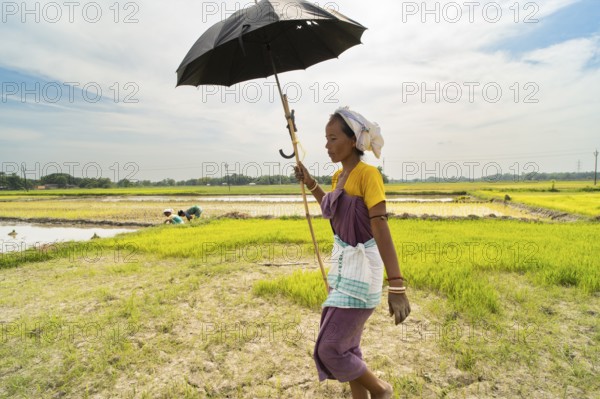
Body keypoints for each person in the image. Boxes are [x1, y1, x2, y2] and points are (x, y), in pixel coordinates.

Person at [295, 106, 410, 399]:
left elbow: (380, 225)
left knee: (330, 347)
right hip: (344, 269)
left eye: (333, 138)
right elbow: (332, 211)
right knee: (348, 348)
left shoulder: (367, 175)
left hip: (363, 271)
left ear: (353, 141)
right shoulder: (337, 178)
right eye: (326, 138)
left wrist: (396, 284)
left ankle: (381, 390)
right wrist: (310, 183)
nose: (327, 145)